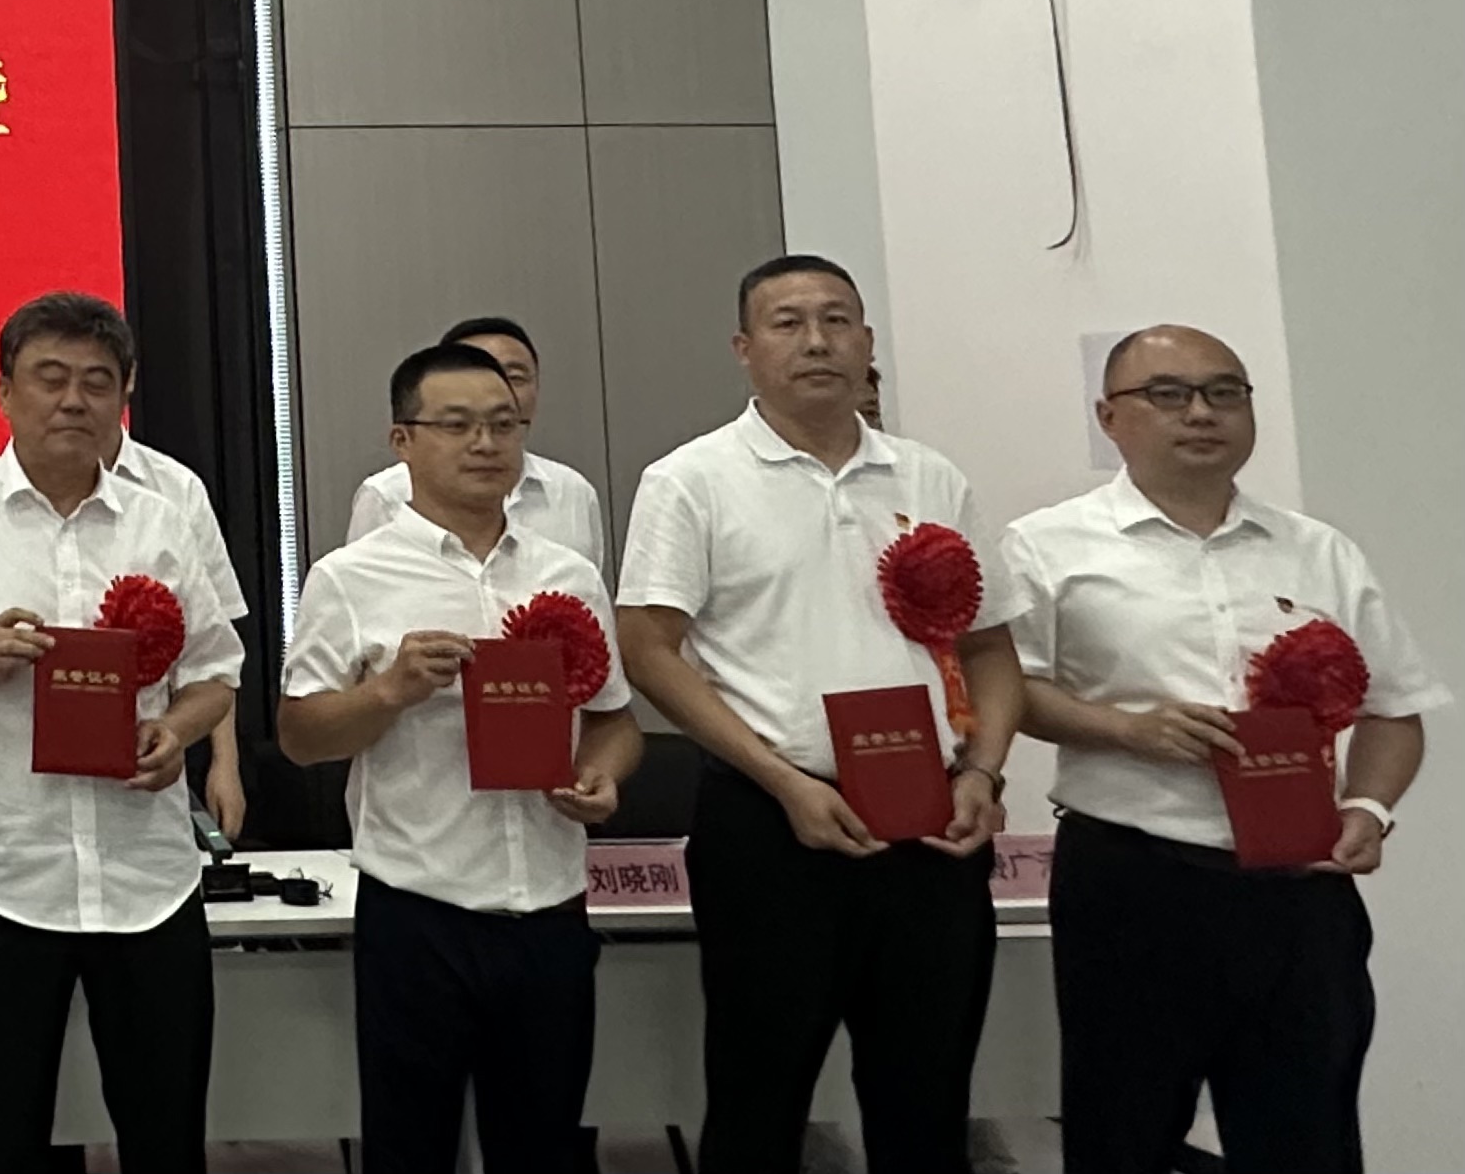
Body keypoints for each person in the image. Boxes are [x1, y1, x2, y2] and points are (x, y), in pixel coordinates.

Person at [616, 254, 1025, 1174]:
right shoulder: (692, 478)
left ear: (867, 342)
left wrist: (983, 771)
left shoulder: (929, 476)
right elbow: (647, 648)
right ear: (744, 348)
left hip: (931, 822)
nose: (816, 341)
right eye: (789, 322)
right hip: (771, 823)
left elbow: (991, 646)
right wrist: (783, 780)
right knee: (759, 1102)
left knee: (927, 1102)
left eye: (837, 320)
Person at [1004, 323, 1443, 1173]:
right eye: (1168, 394)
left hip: (1299, 889)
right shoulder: (1047, 545)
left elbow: (1395, 706)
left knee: (1308, 1135)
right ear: (1109, 416)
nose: (1201, 413)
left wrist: (1368, 807)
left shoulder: (1317, 549)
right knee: (1123, 1132)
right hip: (1136, 878)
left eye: (1224, 392)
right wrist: (1126, 727)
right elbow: (1006, 691)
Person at [0, 291, 247, 1174]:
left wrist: (175, 730)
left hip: (146, 875)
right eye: (50, 377)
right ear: (4, 391)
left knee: (167, 1136)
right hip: (5, 872)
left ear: (124, 396)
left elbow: (217, 670)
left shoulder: (166, 520)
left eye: (97, 381)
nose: (74, 399)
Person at [281, 345, 641, 1174]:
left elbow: (615, 719)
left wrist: (605, 774)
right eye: (457, 424)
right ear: (402, 439)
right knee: (411, 1150)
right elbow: (299, 735)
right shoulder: (350, 576)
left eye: (502, 424)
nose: (485, 442)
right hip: (420, 909)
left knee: (545, 1149)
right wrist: (388, 691)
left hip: (549, 904)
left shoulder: (568, 575)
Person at [107, 381, 253, 840]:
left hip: (163, 739)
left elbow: (214, 649)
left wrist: (225, 763)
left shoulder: (177, 490)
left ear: (127, 382)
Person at [344, 315, 609, 566]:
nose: (494, 386)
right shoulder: (384, 493)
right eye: (456, 425)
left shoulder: (572, 490)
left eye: (514, 377)